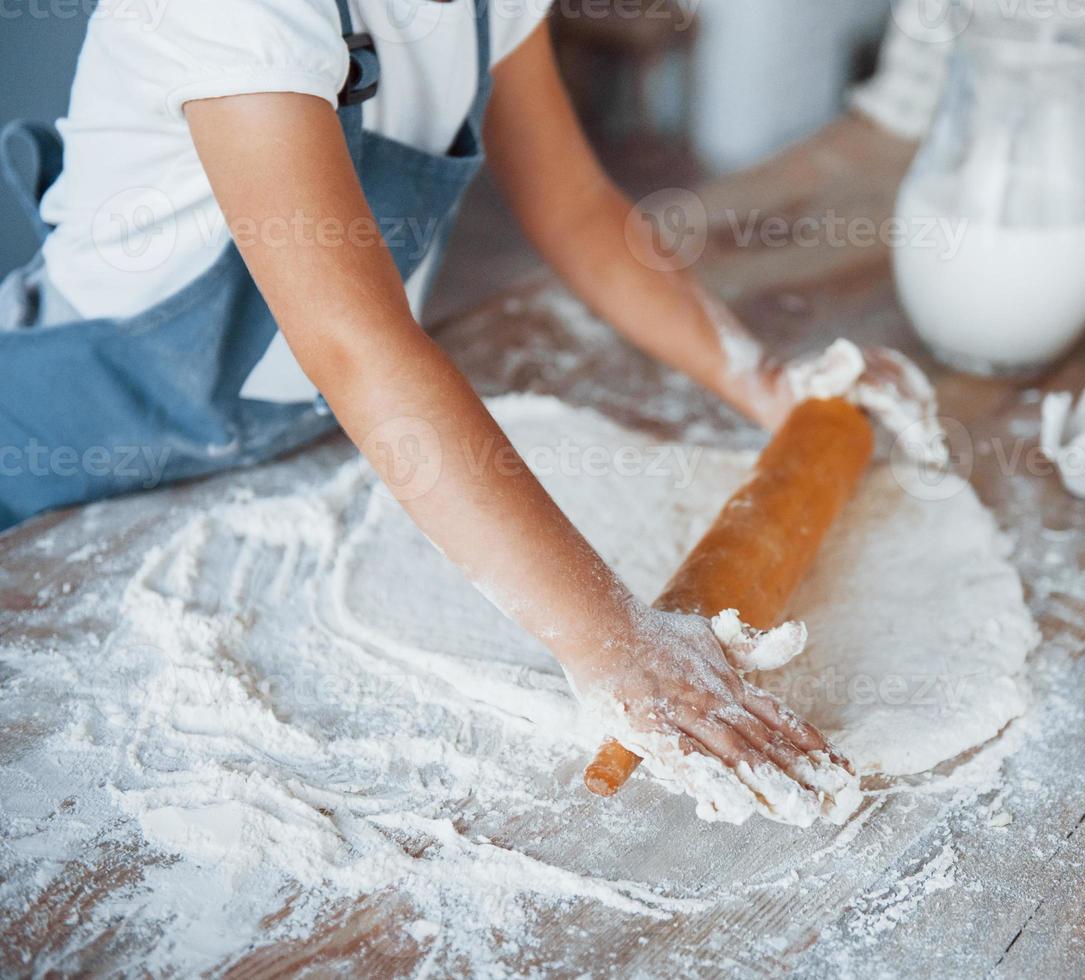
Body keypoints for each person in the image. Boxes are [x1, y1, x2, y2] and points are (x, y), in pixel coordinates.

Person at [0, 1, 945, 821]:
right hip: (74, 459)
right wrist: (615, 644)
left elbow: (577, 209)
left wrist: (764, 382)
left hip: (304, 431)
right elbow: (356, 346)